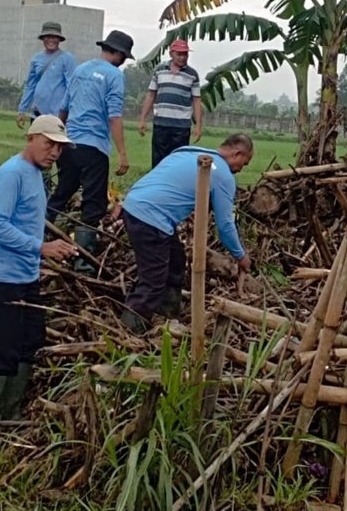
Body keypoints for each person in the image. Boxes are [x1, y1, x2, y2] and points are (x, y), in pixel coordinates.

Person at [0, 115, 78, 442]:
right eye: (49, 145)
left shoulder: (36, 175)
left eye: (59, 148)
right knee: (4, 346)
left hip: (24, 273)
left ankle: (11, 412)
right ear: (31, 138)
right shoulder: (12, 173)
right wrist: (41, 247)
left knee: (30, 339)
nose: (54, 153)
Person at [118, 135, 253, 332]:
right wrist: (241, 256)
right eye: (245, 162)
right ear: (237, 153)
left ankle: (167, 316)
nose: (242, 168)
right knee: (153, 281)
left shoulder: (188, 152)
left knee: (175, 261)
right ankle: (128, 332)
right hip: (152, 219)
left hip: (133, 206)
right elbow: (225, 225)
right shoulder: (223, 174)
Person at [49, 29, 134, 269]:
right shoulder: (114, 76)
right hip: (93, 147)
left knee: (62, 192)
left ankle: (40, 235)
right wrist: (123, 153)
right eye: (124, 56)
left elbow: (64, 108)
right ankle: (83, 261)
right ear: (117, 53)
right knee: (93, 203)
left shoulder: (81, 69)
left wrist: (58, 137)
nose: (124, 61)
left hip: (70, 144)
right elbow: (114, 116)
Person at [139, 37, 203, 167]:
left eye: (185, 54)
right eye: (179, 54)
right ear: (171, 54)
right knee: (158, 161)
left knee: (178, 163)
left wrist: (198, 125)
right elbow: (151, 95)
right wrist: (142, 119)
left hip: (181, 126)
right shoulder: (160, 70)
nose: (182, 57)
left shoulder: (192, 74)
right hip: (161, 124)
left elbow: (196, 101)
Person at [17, 23, 75, 121]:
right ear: (43, 38)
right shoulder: (36, 59)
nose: (51, 40)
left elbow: (72, 87)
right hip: (37, 113)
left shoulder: (67, 59)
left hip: (58, 116)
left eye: (54, 37)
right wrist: (22, 110)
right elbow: (30, 86)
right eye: (47, 37)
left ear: (59, 39)